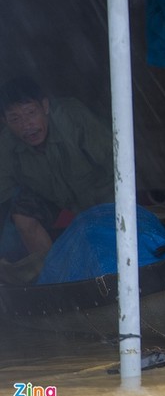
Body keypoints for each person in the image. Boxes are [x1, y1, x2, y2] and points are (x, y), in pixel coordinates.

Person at [0, 76, 114, 263]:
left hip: (102, 193)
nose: (26, 125)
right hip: (56, 200)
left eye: (30, 112)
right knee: (20, 214)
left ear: (45, 106)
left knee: (106, 252)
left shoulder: (73, 117)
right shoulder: (6, 145)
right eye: (15, 118)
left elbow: (116, 160)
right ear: (5, 121)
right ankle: (53, 273)